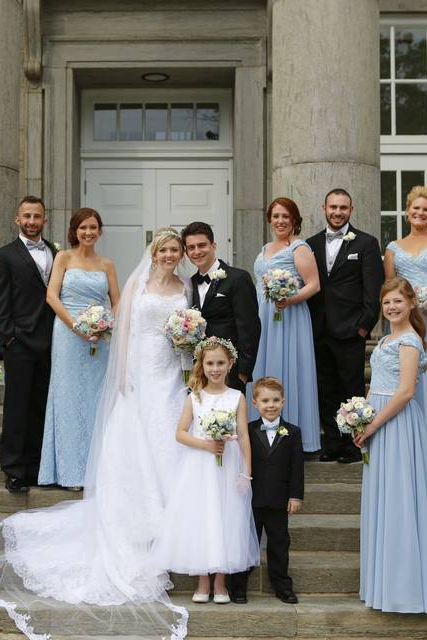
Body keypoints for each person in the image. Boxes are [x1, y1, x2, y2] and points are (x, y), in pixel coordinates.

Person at [0, 228, 191, 640]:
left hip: (169, 372)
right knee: (138, 438)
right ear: (154, 252)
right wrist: (124, 374)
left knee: (167, 438)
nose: (169, 254)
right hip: (139, 372)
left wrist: (187, 343)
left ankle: (170, 517)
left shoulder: (185, 287)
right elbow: (124, 329)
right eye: (164, 249)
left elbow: (187, 330)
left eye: (174, 250)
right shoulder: (137, 283)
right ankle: (139, 520)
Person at [354, 277, 427, 614]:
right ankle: (382, 584)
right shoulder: (385, 340)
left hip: (397, 424)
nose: (391, 307)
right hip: (376, 422)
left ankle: (404, 589)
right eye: (386, 302)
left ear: (411, 304)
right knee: (383, 498)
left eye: (397, 301)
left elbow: (406, 392)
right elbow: (376, 385)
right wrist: (360, 419)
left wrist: (375, 423)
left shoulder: (409, 341)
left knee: (400, 498)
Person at [152, 337, 259, 605]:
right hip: (199, 466)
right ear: (201, 364)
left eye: (220, 363)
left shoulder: (237, 398)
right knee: (201, 517)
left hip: (228, 466)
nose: (215, 368)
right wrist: (207, 445)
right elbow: (179, 433)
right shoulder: (194, 398)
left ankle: (220, 581)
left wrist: (246, 472)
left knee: (226, 516)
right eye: (210, 363)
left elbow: (244, 436)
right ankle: (202, 580)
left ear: (230, 364)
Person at [39, 208, 120, 489]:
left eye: (93, 227)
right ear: (75, 231)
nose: (88, 232)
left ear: (99, 231)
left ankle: (96, 470)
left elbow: (117, 302)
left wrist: (105, 325)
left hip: (99, 339)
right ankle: (70, 472)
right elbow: (52, 296)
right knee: (68, 399)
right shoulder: (63, 258)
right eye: (83, 227)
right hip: (68, 334)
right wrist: (77, 326)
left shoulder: (107, 264)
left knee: (97, 400)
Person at [306, 188, 383, 463]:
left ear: (351, 210)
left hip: (351, 331)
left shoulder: (366, 243)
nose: (337, 212)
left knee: (351, 389)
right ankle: (332, 444)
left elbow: (374, 291)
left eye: (343, 208)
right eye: (333, 207)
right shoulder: (310, 244)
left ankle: (353, 445)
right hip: (318, 330)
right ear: (323, 208)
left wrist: (363, 327)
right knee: (325, 388)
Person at [0, 196, 57, 494]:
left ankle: (35, 465)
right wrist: (9, 338)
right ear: (17, 219)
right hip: (20, 343)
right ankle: (14, 470)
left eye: (37, 216)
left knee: (41, 406)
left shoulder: (55, 251)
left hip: (52, 342)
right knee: (16, 408)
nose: (32, 221)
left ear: (45, 219)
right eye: (26, 216)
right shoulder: (4, 255)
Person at [384, 186, 427, 456]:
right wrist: (408, 307)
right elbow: (391, 285)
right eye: (416, 208)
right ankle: (414, 437)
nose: (420, 213)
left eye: (426, 209)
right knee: (408, 374)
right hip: (405, 318)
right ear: (407, 212)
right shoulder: (393, 248)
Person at [251, 197, 321, 453]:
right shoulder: (265, 248)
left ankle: (294, 438)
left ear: (294, 221)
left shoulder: (299, 248)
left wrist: (289, 299)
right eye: (276, 216)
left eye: (286, 216)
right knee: (263, 366)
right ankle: (261, 432)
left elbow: (314, 285)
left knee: (289, 368)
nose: (280, 221)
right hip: (263, 315)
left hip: (289, 316)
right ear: (269, 219)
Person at [228, 376, 303, 605]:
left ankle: (282, 586)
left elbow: (297, 467)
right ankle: (238, 586)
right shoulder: (247, 431)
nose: (270, 405)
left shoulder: (292, 432)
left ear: (283, 401)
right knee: (247, 542)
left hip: (280, 500)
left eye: (275, 400)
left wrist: (295, 495)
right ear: (255, 403)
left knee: (280, 543)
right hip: (252, 498)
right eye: (265, 401)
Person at [183, 221, 260, 394]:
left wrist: (243, 372)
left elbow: (250, 328)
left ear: (213, 245)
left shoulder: (238, 278)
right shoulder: (190, 283)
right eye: (191, 247)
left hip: (230, 371)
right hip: (200, 371)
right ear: (187, 252)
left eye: (202, 245)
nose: (197, 251)